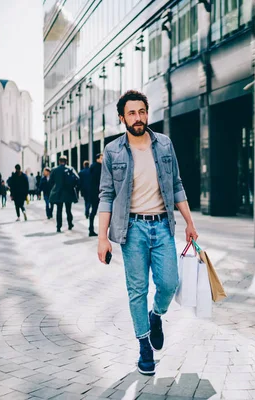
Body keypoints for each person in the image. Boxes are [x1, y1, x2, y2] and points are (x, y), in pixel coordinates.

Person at [97, 90, 198, 376]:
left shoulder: (164, 144)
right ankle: (144, 347)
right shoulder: (113, 151)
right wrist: (102, 237)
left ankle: (157, 316)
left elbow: (176, 184)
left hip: (162, 225)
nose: (138, 117)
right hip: (132, 230)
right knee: (137, 290)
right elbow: (106, 195)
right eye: (131, 113)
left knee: (168, 282)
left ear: (147, 113)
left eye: (141, 111)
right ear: (122, 117)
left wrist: (190, 222)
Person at [49, 155, 79, 233]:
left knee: (59, 210)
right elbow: (77, 179)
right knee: (68, 210)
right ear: (66, 161)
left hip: (58, 193)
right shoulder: (70, 169)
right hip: (69, 193)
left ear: (59, 161)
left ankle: (59, 227)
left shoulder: (54, 170)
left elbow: (50, 181)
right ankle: (70, 224)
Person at [88, 153, 103, 237]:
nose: (103, 159)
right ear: (97, 159)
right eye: (101, 158)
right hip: (98, 193)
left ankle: (91, 229)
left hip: (92, 192)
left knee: (93, 212)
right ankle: (93, 230)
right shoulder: (99, 167)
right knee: (101, 212)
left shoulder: (92, 167)